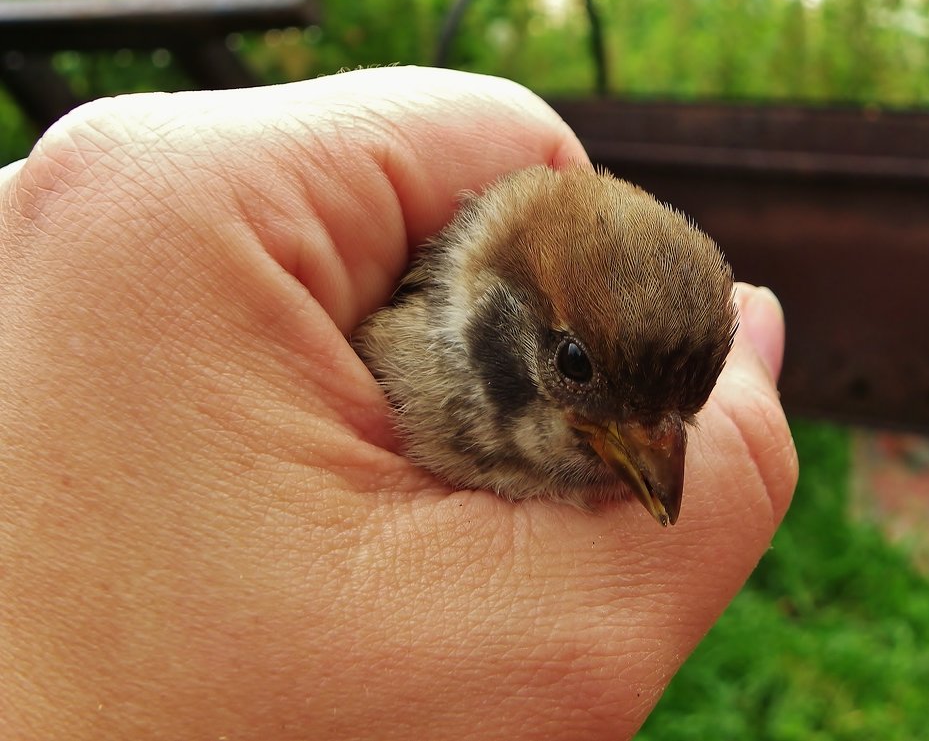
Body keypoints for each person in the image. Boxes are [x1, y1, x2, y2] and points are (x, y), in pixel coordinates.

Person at [0, 66, 797, 740]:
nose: (658, 455)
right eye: (576, 364)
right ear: (493, 300)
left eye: (675, 421)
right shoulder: (402, 330)